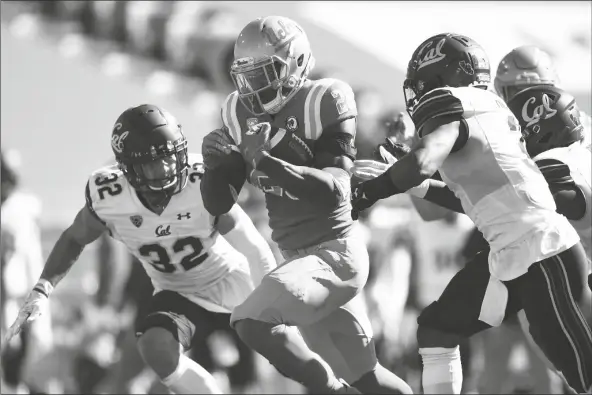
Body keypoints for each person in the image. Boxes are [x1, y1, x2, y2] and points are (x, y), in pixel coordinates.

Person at [350, 33, 592, 394]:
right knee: (437, 329)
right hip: (510, 255)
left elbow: (423, 161)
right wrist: (405, 180)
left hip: (543, 252)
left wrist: (368, 193)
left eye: (422, 84)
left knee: (583, 377)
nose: (418, 94)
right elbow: (470, 201)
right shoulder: (483, 113)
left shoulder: (457, 106)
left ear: (441, 77)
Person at [200, 15, 412, 395]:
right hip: (297, 260)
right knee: (370, 379)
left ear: (296, 62)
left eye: (267, 73)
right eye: (249, 77)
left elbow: (334, 191)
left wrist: (265, 162)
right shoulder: (236, 110)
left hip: (335, 254)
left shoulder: (323, 99)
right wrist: (215, 170)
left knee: (249, 320)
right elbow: (217, 203)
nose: (256, 88)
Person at [2, 104, 277, 395]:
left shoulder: (201, 182)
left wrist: (272, 295)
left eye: (170, 159)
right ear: (128, 172)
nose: (168, 170)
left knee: (264, 360)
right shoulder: (110, 198)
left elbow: (250, 240)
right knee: (152, 357)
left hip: (229, 280)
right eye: (154, 164)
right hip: (170, 294)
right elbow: (79, 239)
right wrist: (46, 287)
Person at [495, 45, 591, 151]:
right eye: (519, 92)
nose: (533, 101)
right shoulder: (495, 130)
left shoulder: (581, 125)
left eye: (542, 92)